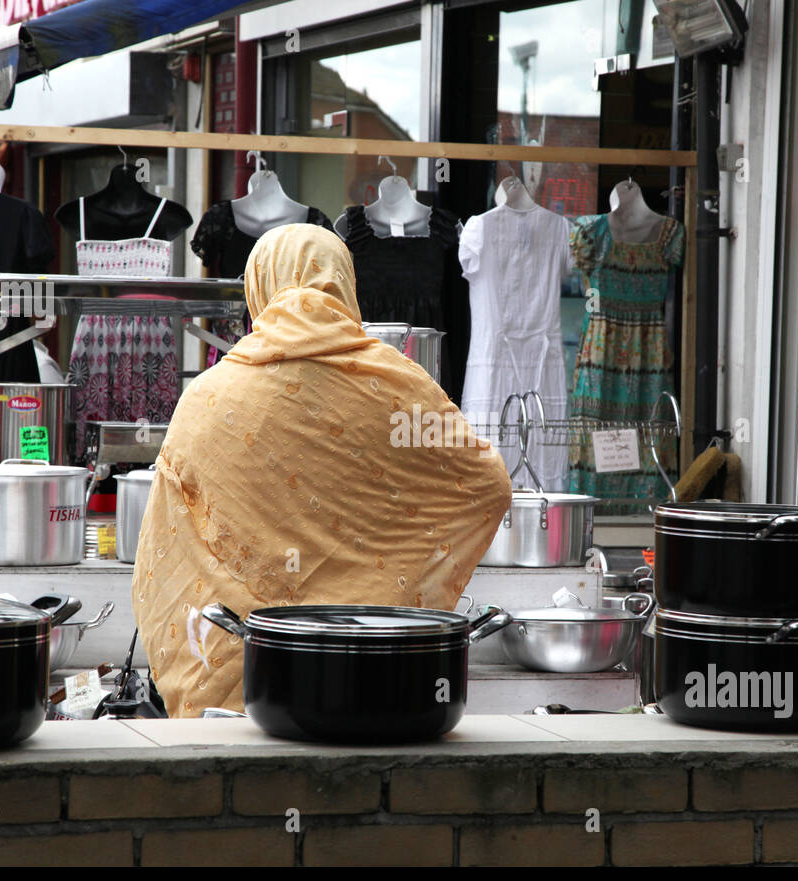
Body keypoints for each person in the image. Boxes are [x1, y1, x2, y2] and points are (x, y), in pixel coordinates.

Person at [131, 223, 513, 717]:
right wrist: (396, 585)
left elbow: (169, 536)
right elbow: (487, 486)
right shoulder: (397, 383)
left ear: (259, 288)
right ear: (345, 284)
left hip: (242, 673)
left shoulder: (209, 397)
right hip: (374, 664)